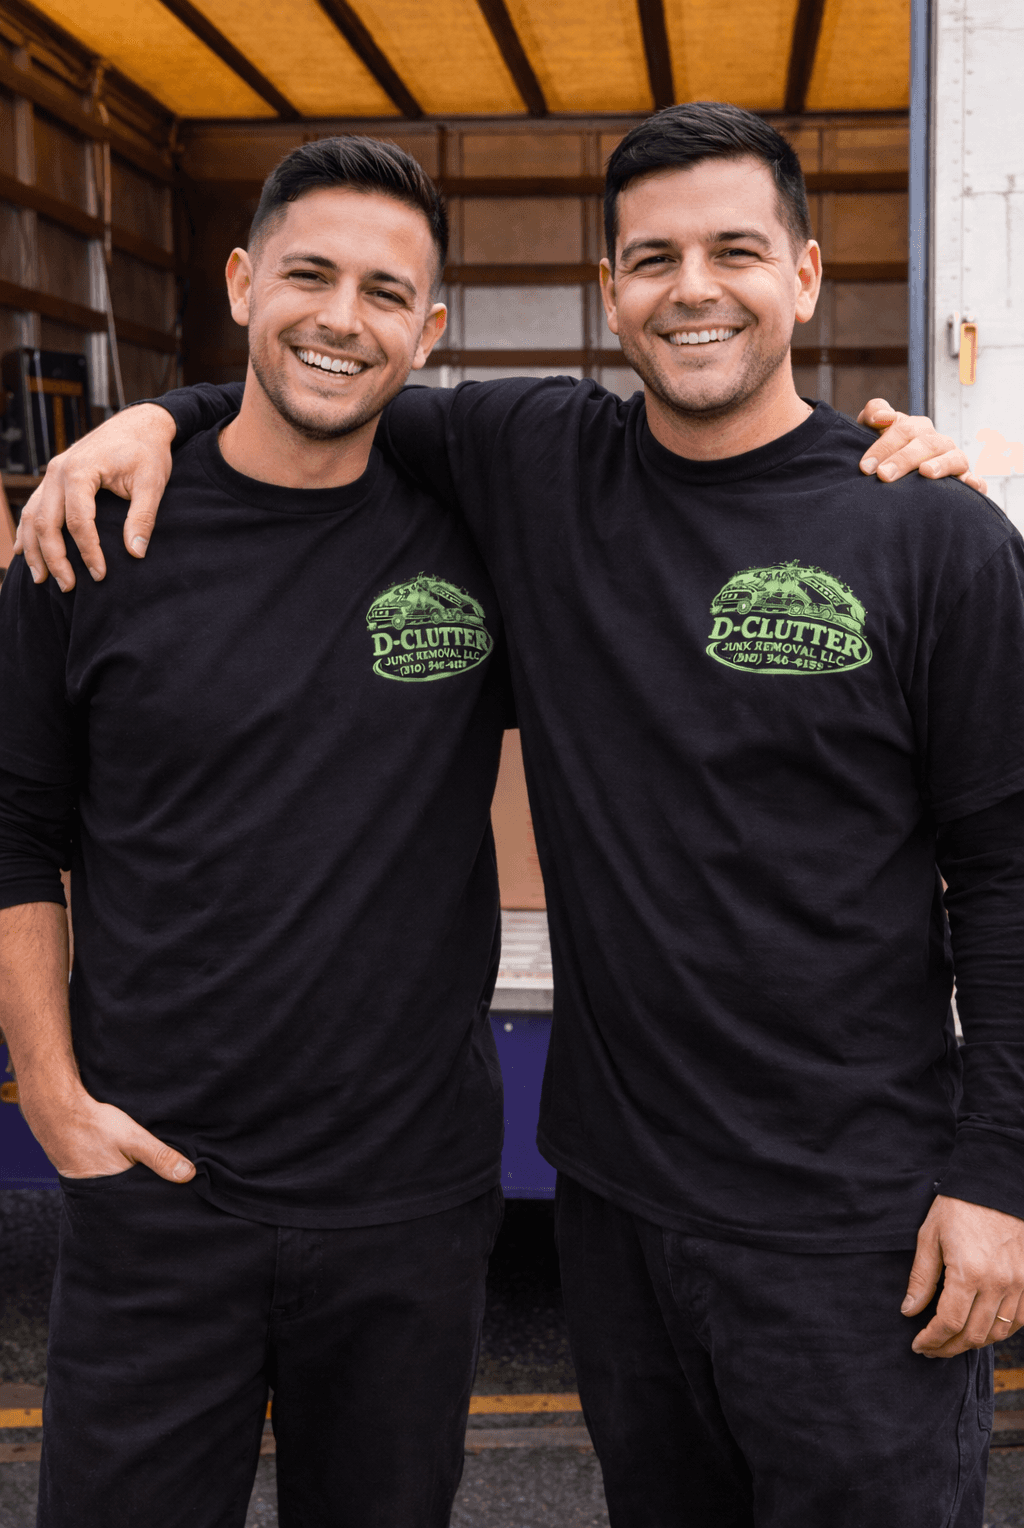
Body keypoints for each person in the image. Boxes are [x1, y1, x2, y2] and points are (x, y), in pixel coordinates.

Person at [16, 104, 1022, 1526]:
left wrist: (1001, 1176)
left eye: (735, 250)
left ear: (804, 275)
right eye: (653, 256)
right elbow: (312, 395)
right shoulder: (542, 465)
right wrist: (148, 418)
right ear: (610, 292)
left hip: (856, 1234)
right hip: (618, 1209)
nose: (693, 287)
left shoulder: (930, 534)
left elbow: (1006, 868)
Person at [0, 137, 513, 1528]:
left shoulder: (484, 527)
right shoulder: (95, 536)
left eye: (384, 291)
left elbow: (701, 485)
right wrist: (49, 1095)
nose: (343, 317)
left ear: (430, 327)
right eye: (308, 274)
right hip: (158, 1191)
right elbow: (15, 829)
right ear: (239, 281)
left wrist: (917, 463)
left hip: (410, 1201)